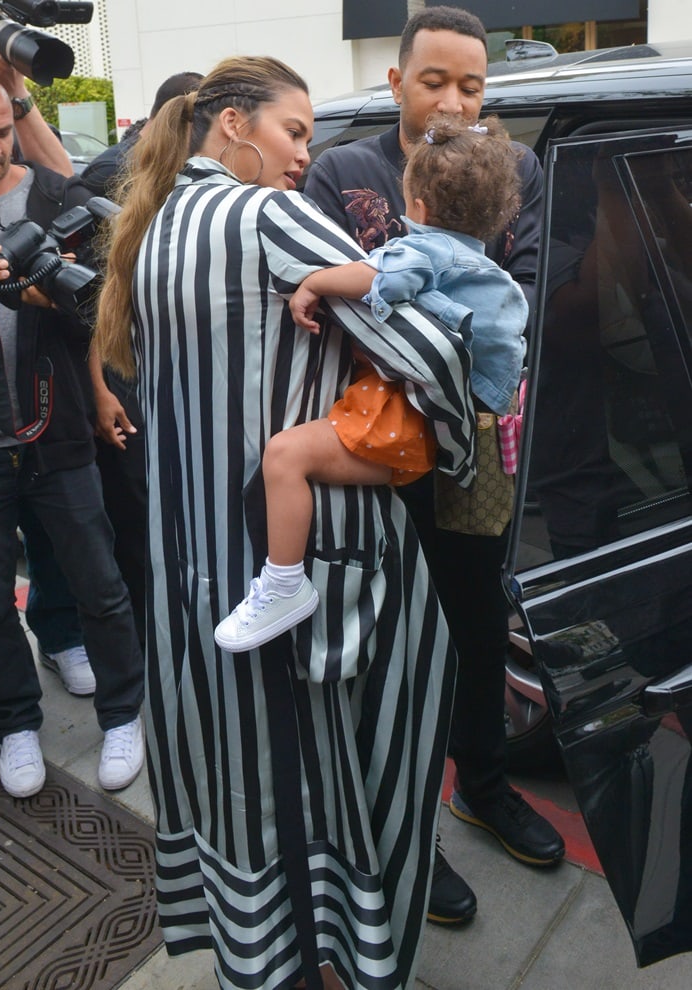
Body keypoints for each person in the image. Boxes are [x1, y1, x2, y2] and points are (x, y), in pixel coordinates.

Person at [95, 55, 476, 990]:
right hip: (292, 559)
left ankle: (252, 956)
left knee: (233, 772)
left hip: (189, 559)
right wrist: (459, 437)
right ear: (232, 125)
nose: (306, 153)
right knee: (317, 776)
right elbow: (428, 333)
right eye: (294, 130)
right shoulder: (261, 214)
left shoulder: (153, 226)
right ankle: (322, 963)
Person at [304, 4, 565, 927]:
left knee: (478, 624)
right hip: (378, 449)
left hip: (476, 453)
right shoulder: (345, 171)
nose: (454, 100)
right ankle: (408, 831)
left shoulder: (517, 167)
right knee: (388, 649)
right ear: (397, 82)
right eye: (434, 80)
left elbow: (525, 285)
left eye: (471, 84)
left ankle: (482, 787)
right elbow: (337, 308)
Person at [216, 113, 527, 653]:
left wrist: (312, 281)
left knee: (284, 456)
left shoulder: (428, 250)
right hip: (462, 423)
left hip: (408, 422)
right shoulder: (483, 266)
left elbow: (380, 276)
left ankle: (283, 583)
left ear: (420, 209)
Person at [0, 79, 145, 798]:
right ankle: (16, 721)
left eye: (2, 131)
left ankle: (123, 714)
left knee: (100, 579)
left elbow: (102, 304)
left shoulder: (56, 197)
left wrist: (101, 390)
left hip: (57, 427)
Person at [84, 70, 204, 653]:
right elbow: (85, 303)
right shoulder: (112, 177)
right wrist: (100, 391)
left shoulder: (194, 181)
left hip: (174, 375)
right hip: (125, 374)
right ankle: (149, 647)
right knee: (139, 521)